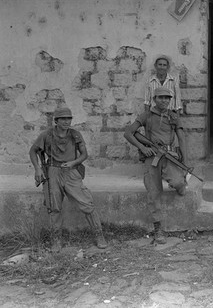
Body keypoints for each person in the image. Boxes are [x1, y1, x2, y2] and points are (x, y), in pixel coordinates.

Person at [29, 107, 107, 252]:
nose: (66, 121)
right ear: (56, 121)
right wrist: (38, 169)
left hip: (71, 171)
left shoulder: (75, 134)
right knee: (54, 208)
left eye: (69, 118)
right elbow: (33, 151)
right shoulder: (46, 135)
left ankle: (99, 235)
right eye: (63, 119)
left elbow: (84, 154)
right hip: (53, 172)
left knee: (86, 203)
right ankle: (56, 240)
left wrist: (74, 162)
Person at [124, 87, 188, 244]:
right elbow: (128, 133)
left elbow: (181, 138)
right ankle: (158, 228)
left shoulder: (173, 116)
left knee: (178, 182)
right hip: (152, 157)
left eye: (167, 98)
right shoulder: (147, 115)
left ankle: (181, 185)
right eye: (161, 97)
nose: (164, 100)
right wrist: (142, 148)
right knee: (154, 192)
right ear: (154, 99)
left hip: (169, 155)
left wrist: (185, 162)